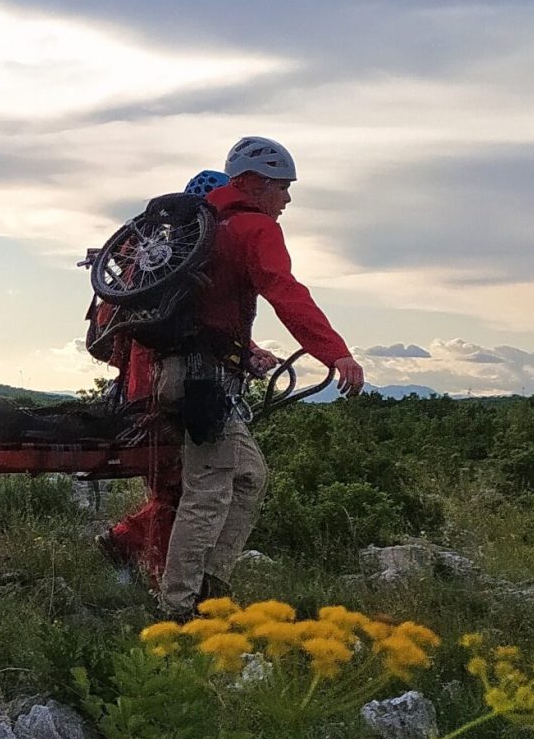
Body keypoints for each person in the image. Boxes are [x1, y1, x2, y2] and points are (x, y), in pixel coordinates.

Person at [156, 136, 365, 615]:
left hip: (183, 374)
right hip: (204, 380)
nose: (287, 199)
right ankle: (178, 608)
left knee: (249, 475)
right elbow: (285, 290)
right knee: (208, 491)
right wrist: (337, 354)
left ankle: (210, 587)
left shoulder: (203, 227)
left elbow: (202, 311)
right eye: (282, 187)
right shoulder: (253, 229)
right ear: (253, 183)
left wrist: (245, 351)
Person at [99, 170, 229, 580]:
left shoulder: (156, 258)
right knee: (175, 487)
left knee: (173, 484)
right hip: (157, 386)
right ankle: (154, 572)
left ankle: (126, 544)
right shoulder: (181, 263)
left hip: (141, 383)